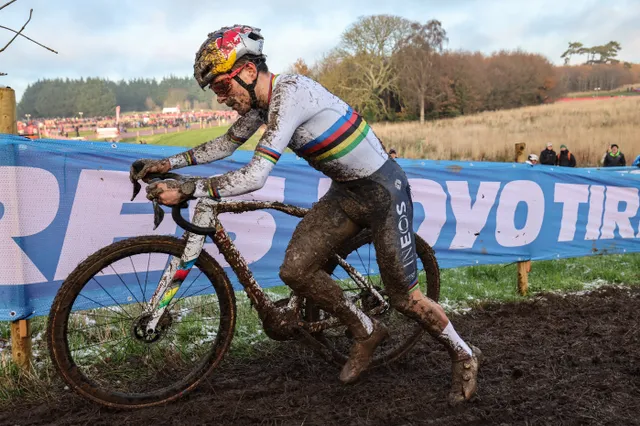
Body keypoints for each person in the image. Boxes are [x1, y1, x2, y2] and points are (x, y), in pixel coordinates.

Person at [129, 25, 481, 404]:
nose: (221, 99)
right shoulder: (262, 103)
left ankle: (464, 353)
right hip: (346, 193)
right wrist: (167, 162)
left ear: (247, 72)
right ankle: (365, 329)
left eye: (221, 87)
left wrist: (187, 187)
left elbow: (254, 176)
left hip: (383, 193)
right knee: (295, 270)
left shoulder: (291, 94)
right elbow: (225, 145)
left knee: (404, 298)